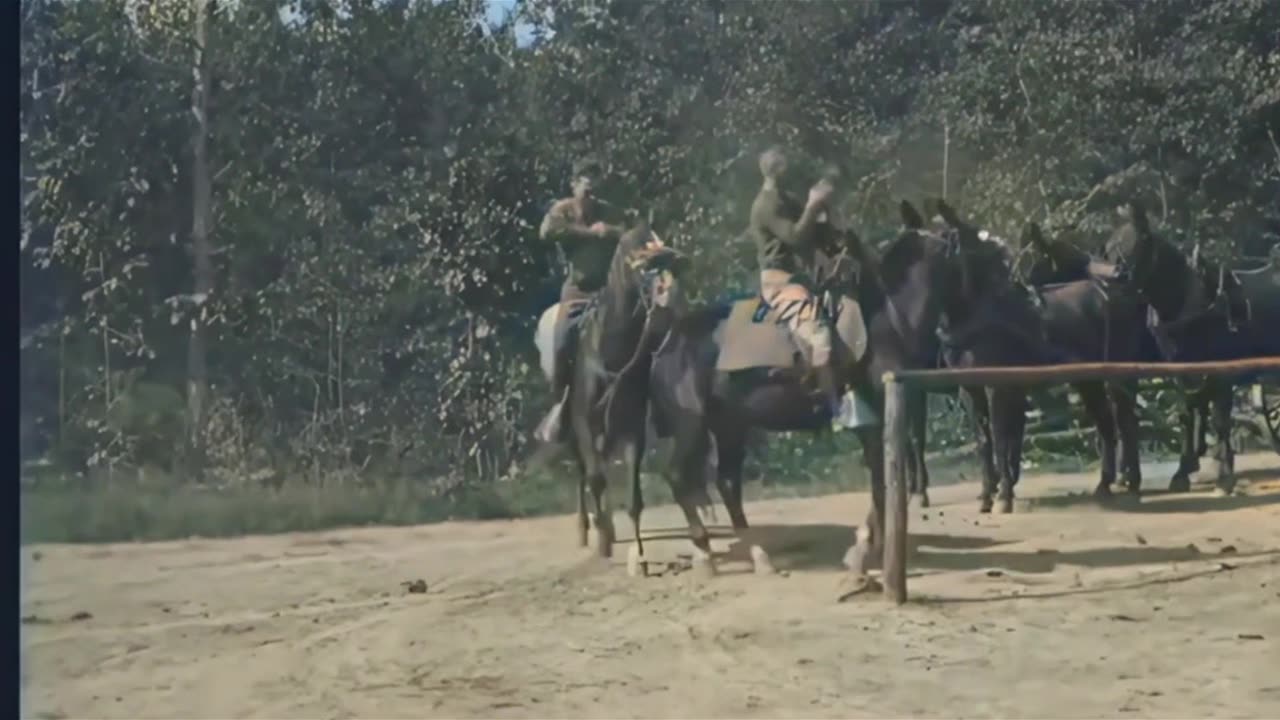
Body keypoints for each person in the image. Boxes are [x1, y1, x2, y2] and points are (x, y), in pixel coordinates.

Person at [533, 157, 627, 444]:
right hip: (576, 294)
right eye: (586, 187)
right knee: (561, 340)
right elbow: (546, 231)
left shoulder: (609, 212)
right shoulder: (563, 210)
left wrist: (611, 232)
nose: (591, 194)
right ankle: (559, 406)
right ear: (574, 186)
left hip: (607, 295)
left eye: (595, 187)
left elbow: (632, 232)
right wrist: (590, 233)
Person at [747, 148, 844, 421]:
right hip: (780, 283)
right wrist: (813, 204)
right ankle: (829, 407)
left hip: (799, 279)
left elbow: (812, 226)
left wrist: (823, 205)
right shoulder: (766, 205)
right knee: (820, 334)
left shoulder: (784, 199)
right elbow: (796, 237)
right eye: (786, 170)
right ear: (777, 172)